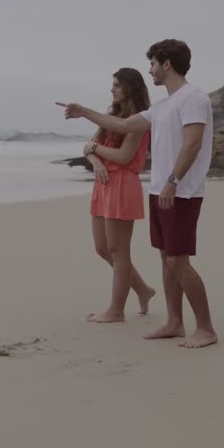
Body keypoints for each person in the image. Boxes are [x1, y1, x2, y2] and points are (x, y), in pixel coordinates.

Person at [57, 39, 218, 348]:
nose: (151, 70)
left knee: (178, 261)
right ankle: (174, 321)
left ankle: (206, 329)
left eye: (154, 64)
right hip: (159, 190)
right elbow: (119, 124)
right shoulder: (161, 106)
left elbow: (193, 143)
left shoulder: (194, 98)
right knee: (166, 259)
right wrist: (83, 112)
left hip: (181, 191)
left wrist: (173, 180)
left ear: (167, 64)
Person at [82, 67, 156, 323]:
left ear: (130, 88)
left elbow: (124, 157)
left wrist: (95, 149)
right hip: (103, 183)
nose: (112, 89)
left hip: (123, 184)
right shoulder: (111, 115)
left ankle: (116, 310)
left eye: (116, 85)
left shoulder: (139, 120)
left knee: (118, 250)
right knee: (102, 248)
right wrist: (96, 161)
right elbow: (87, 147)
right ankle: (143, 290)